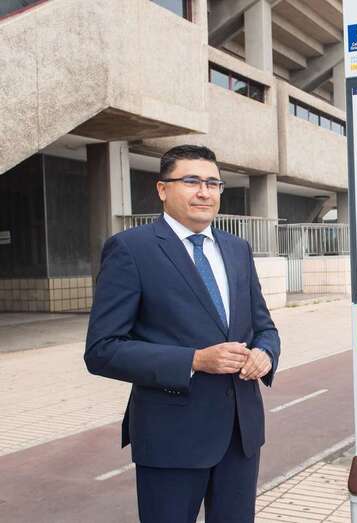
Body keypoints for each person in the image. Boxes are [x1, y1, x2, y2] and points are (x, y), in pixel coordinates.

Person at [85, 145, 280, 522]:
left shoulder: (237, 249)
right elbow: (102, 349)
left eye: (213, 182)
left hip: (241, 435)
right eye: (191, 181)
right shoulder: (131, 249)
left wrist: (265, 354)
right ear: (162, 189)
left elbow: (264, 326)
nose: (204, 191)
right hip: (171, 436)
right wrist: (193, 360)